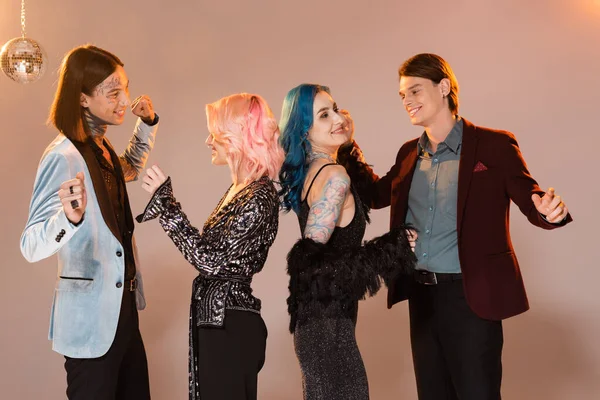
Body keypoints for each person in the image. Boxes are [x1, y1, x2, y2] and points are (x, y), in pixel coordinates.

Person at [344, 53, 573, 400]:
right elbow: (375, 195)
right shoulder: (409, 154)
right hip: (421, 296)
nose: (407, 101)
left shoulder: (493, 145)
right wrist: (347, 148)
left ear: (444, 87)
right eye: (403, 95)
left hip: (472, 298)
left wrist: (548, 210)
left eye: (415, 91)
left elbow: (531, 197)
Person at [20, 44, 159, 400]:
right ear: (82, 99)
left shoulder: (101, 147)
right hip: (89, 323)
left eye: (125, 89)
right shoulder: (62, 155)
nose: (125, 100)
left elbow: (127, 168)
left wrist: (146, 125)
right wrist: (67, 218)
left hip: (123, 312)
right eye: (113, 92)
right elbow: (30, 244)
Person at [136, 93, 283, 400]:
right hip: (216, 323)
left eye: (215, 132)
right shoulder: (239, 190)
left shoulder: (260, 196)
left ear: (238, 134)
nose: (207, 141)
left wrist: (167, 205)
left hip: (231, 326)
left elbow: (210, 262)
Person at [278, 83, 416, 400]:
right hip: (327, 331)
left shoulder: (317, 170)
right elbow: (315, 265)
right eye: (323, 115)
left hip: (319, 327)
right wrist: (393, 248)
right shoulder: (334, 177)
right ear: (304, 130)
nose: (338, 118)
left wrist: (349, 145)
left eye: (336, 109)